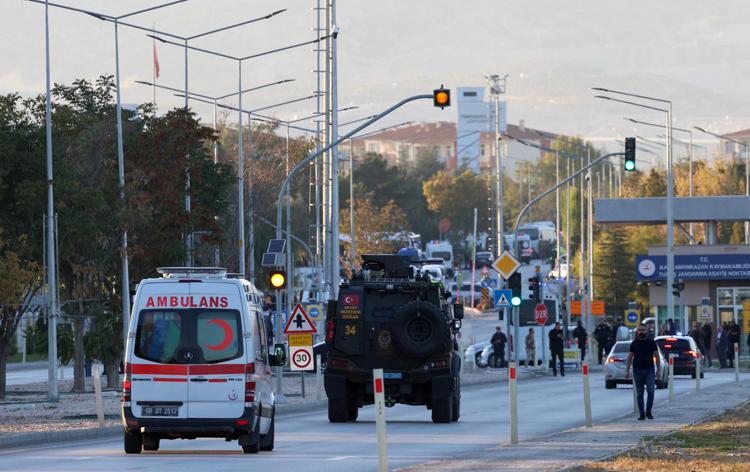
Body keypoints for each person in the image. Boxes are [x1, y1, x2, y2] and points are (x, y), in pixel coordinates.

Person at [626, 323, 661, 421]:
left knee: (651, 391)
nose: (641, 331)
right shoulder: (634, 343)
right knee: (639, 393)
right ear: (637, 332)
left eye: (643, 330)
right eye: (640, 330)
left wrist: (658, 370)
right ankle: (641, 413)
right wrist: (627, 370)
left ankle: (648, 411)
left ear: (646, 331)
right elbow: (630, 357)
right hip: (637, 370)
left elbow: (657, 356)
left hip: (650, 370)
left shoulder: (651, 342)